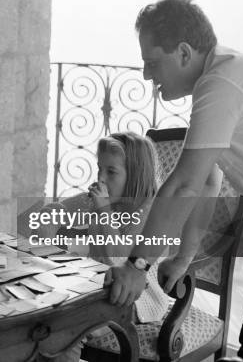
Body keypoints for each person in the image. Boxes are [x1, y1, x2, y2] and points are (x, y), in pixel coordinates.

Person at [105, 0, 243, 362]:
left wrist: (136, 266)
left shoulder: (221, 83)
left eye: (152, 62)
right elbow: (207, 181)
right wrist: (183, 258)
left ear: (183, 53)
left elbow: (183, 184)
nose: (147, 74)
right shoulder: (219, 79)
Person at [57, 132, 170, 362]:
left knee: (65, 333)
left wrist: (104, 212)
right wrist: (53, 211)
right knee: (42, 317)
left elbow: (120, 262)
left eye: (111, 172)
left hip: (134, 297)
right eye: (99, 169)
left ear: (136, 175)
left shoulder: (151, 215)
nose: (101, 178)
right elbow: (60, 211)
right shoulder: (112, 202)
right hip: (97, 287)